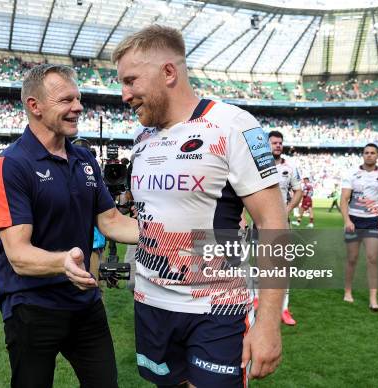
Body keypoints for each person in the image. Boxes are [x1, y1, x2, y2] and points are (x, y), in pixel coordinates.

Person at [114, 25, 286, 387]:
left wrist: (268, 322)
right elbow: (149, 226)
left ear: (169, 72)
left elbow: (274, 223)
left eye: (131, 81)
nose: (124, 94)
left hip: (216, 309)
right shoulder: (142, 138)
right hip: (151, 305)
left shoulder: (236, 126)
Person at [0, 64, 139, 388]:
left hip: (85, 303)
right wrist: (62, 262)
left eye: (78, 98)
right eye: (66, 100)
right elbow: (18, 255)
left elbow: (110, 221)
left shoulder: (85, 160)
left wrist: (165, 233)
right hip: (31, 307)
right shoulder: (10, 166)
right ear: (34, 106)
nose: (78, 107)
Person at [340, 143, 378, 311]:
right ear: (363, 155)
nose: (369, 155)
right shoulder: (352, 173)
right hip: (354, 220)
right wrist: (347, 221)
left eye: (372, 153)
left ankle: (373, 299)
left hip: (372, 222)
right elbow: (344, 199)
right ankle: (347, 291)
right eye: (366, 152)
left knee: (372, 259)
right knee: (352, 259)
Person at [268, 130, 302, 326]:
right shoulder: (258, 166)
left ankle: (284, 308)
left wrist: (288, 209)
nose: (278, 145)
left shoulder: (291, 168)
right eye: (274, 143)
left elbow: (298, 191)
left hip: (282, 223)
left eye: (280, 143)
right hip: (261, 222)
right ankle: (257, 300)